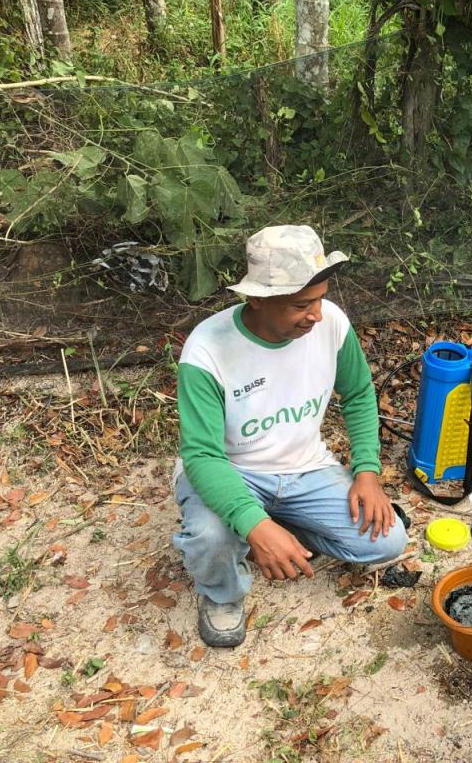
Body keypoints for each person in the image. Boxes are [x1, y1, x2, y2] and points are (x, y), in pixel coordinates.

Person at [173, 225, 407, 648]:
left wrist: (367, 472)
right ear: (257, 299)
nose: (316, 314)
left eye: (320, 299)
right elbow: (202, 455)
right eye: (302, 304)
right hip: (230, 470)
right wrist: (254, 523)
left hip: (305, 468)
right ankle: (222, 593)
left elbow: (358, 394)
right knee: (210, 538)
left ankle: (272, 527)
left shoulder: (331, 324)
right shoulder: (208, 348)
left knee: (387, 541)